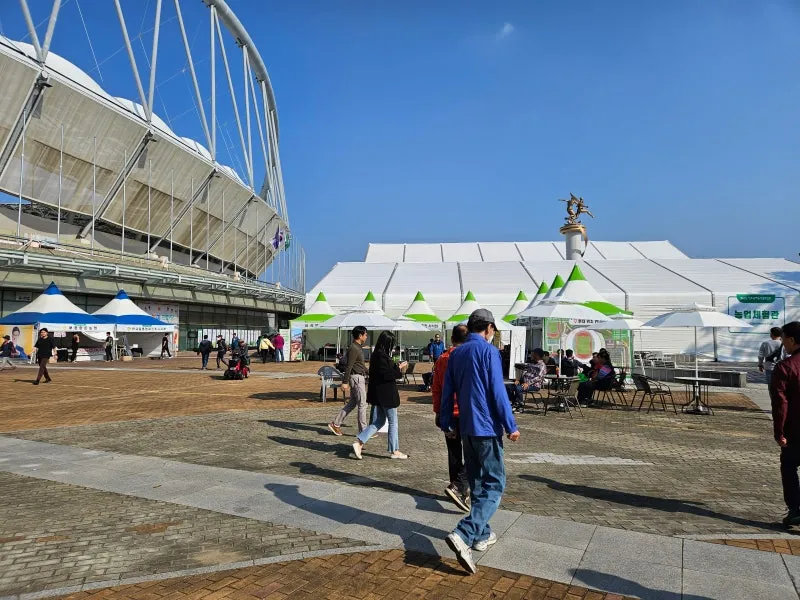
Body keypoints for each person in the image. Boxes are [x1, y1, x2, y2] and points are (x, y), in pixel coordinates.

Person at [440, 309, 520, 574]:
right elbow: (497, 391)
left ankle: (481, 533)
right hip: (486, 426)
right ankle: (464, 533)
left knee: (476, 482)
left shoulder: (456, 353)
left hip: (466, 426)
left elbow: (448, 390)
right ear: (488, 328)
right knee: (495, 483)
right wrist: (510, 425)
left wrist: (445, 420)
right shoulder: (489, 352)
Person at [352, 330, 409, 460]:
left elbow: (382, 372)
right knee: (393, 422)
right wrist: (399, 369)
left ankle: (359, 442)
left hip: (378, 394)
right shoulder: (382, 356)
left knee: (379, 421)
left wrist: (395, 367)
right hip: (387, 394)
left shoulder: (376, 355)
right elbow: (388, 374)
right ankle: (395, 450)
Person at [432, 324, 470, 512]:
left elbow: (436, 388)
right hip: (467, 413)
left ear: (452, 339)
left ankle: (457, 487)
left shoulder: (442, 359)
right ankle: (460, 486)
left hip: (448, 413)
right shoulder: (468, 357)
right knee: (474, 452)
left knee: (454, 452)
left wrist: (438, 411)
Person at [770, 321, 800, 526]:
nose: (783, 344)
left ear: (791, 339)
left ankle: (795, 509)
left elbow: (780, 403)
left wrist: (779, 432)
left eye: (783, 339)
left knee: (789, 468)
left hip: (794, 429)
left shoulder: (785, 367)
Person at [328, 326, 369, 436]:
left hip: (359, 376)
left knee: (352, 403)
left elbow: (360, 365)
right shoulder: (354, 348)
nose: (366, 336)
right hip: (356, 378)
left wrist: (370, 372)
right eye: (365, 334)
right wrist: (345, 382)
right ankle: (364, 431)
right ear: (360, 336)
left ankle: (336, 423)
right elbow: (349, 366)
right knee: (362, 404)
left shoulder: (358, 347)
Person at [511, 348, 547, 412]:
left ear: (538, 355)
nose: (532, 355)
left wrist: (528, 383)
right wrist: (518, 379)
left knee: (518, 388)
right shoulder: (532, 363)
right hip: (525, 382)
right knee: (509, 387)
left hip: (534, 385)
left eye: (533, 354)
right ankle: (515, 403)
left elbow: (539, 377)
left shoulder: (542, 365)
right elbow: (525, 372)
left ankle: (520, 405)